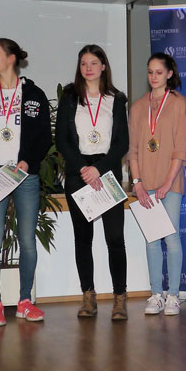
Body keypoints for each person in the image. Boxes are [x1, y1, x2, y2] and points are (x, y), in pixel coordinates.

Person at [0, 38, 51, 326]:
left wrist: (28, 161)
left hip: (24, 174)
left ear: (11, 58)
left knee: (27, 240)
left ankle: (24, 302)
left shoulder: (34, 94)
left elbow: (44, 136)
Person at [55, 45, 129, 320]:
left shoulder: (116, 99)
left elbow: (122, 143)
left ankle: (120, 298)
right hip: (79, 172)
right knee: (83, 238)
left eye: (94, 63)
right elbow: (61, 139)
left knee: (115, 239)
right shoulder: (70, 97)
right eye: (84, 63)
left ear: (103, 66)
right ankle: (88, 296)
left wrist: (99, 168)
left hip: (106, 172)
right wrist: (83, 168)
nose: (88, 68)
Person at [127, 53, 186, 316]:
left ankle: (173, 295)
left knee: (171, 236)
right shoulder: (137, 107)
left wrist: (167, 182)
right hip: (145, 182)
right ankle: (156, 293)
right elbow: (133, 150)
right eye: (150, 72)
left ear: (169, 74)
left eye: (158, 72)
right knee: (152, 238)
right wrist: (137, 184)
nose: (153, 77)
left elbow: (182, 147)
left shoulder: (178, 103)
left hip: (170, 181)